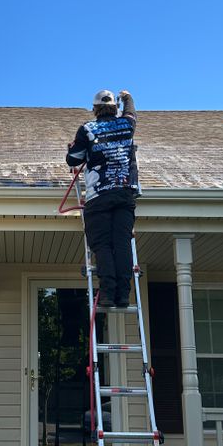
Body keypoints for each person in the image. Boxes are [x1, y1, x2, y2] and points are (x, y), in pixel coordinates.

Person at [66, 89, 139, 308]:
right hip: (125, 193)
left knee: (102, 245)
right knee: (122, 243)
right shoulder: (127, 125)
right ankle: (124, 295)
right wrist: (127, 97)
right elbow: (132, 114)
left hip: (99, 196)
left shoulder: (87, 129)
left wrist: (70, 150)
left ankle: (107, 294)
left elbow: (73, 160)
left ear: (95, 109)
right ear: (114, 108)